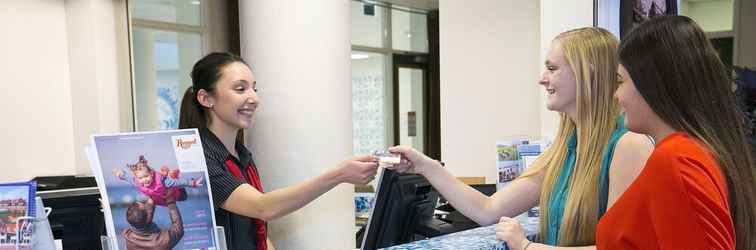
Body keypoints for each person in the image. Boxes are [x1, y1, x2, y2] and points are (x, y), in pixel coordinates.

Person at [390, 27, 654, 250]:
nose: (543, 79)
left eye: (552, 68)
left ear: (589, 74)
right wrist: (426, 166)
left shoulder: (628, 146)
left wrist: (528, 247)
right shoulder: (565, 150)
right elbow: (488, 209)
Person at [178, 52, 379, 250]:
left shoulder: (242, 156)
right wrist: (339, 175)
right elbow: (263, 207)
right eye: (240, 89)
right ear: (205, 98)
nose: (254, 98)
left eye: (254, 89)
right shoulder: (197, 158)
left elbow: (257, 229)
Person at [596, 15, 756, 250]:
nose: (615, 95)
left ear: (651, 82)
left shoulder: (677, 160)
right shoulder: (694, 153)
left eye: (620, 82)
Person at [113, 155, 203, 206]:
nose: (144, 180)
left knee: (183, 197)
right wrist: (120, 174)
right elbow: (128, 178)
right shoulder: (137, 182)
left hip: (172, 191)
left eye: (146, 176)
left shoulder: (162, 181)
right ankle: (168, 173)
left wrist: (193, 183)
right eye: (141, 178)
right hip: (160, 199)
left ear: (151, 174)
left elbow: (178, 183)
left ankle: (172, 175)